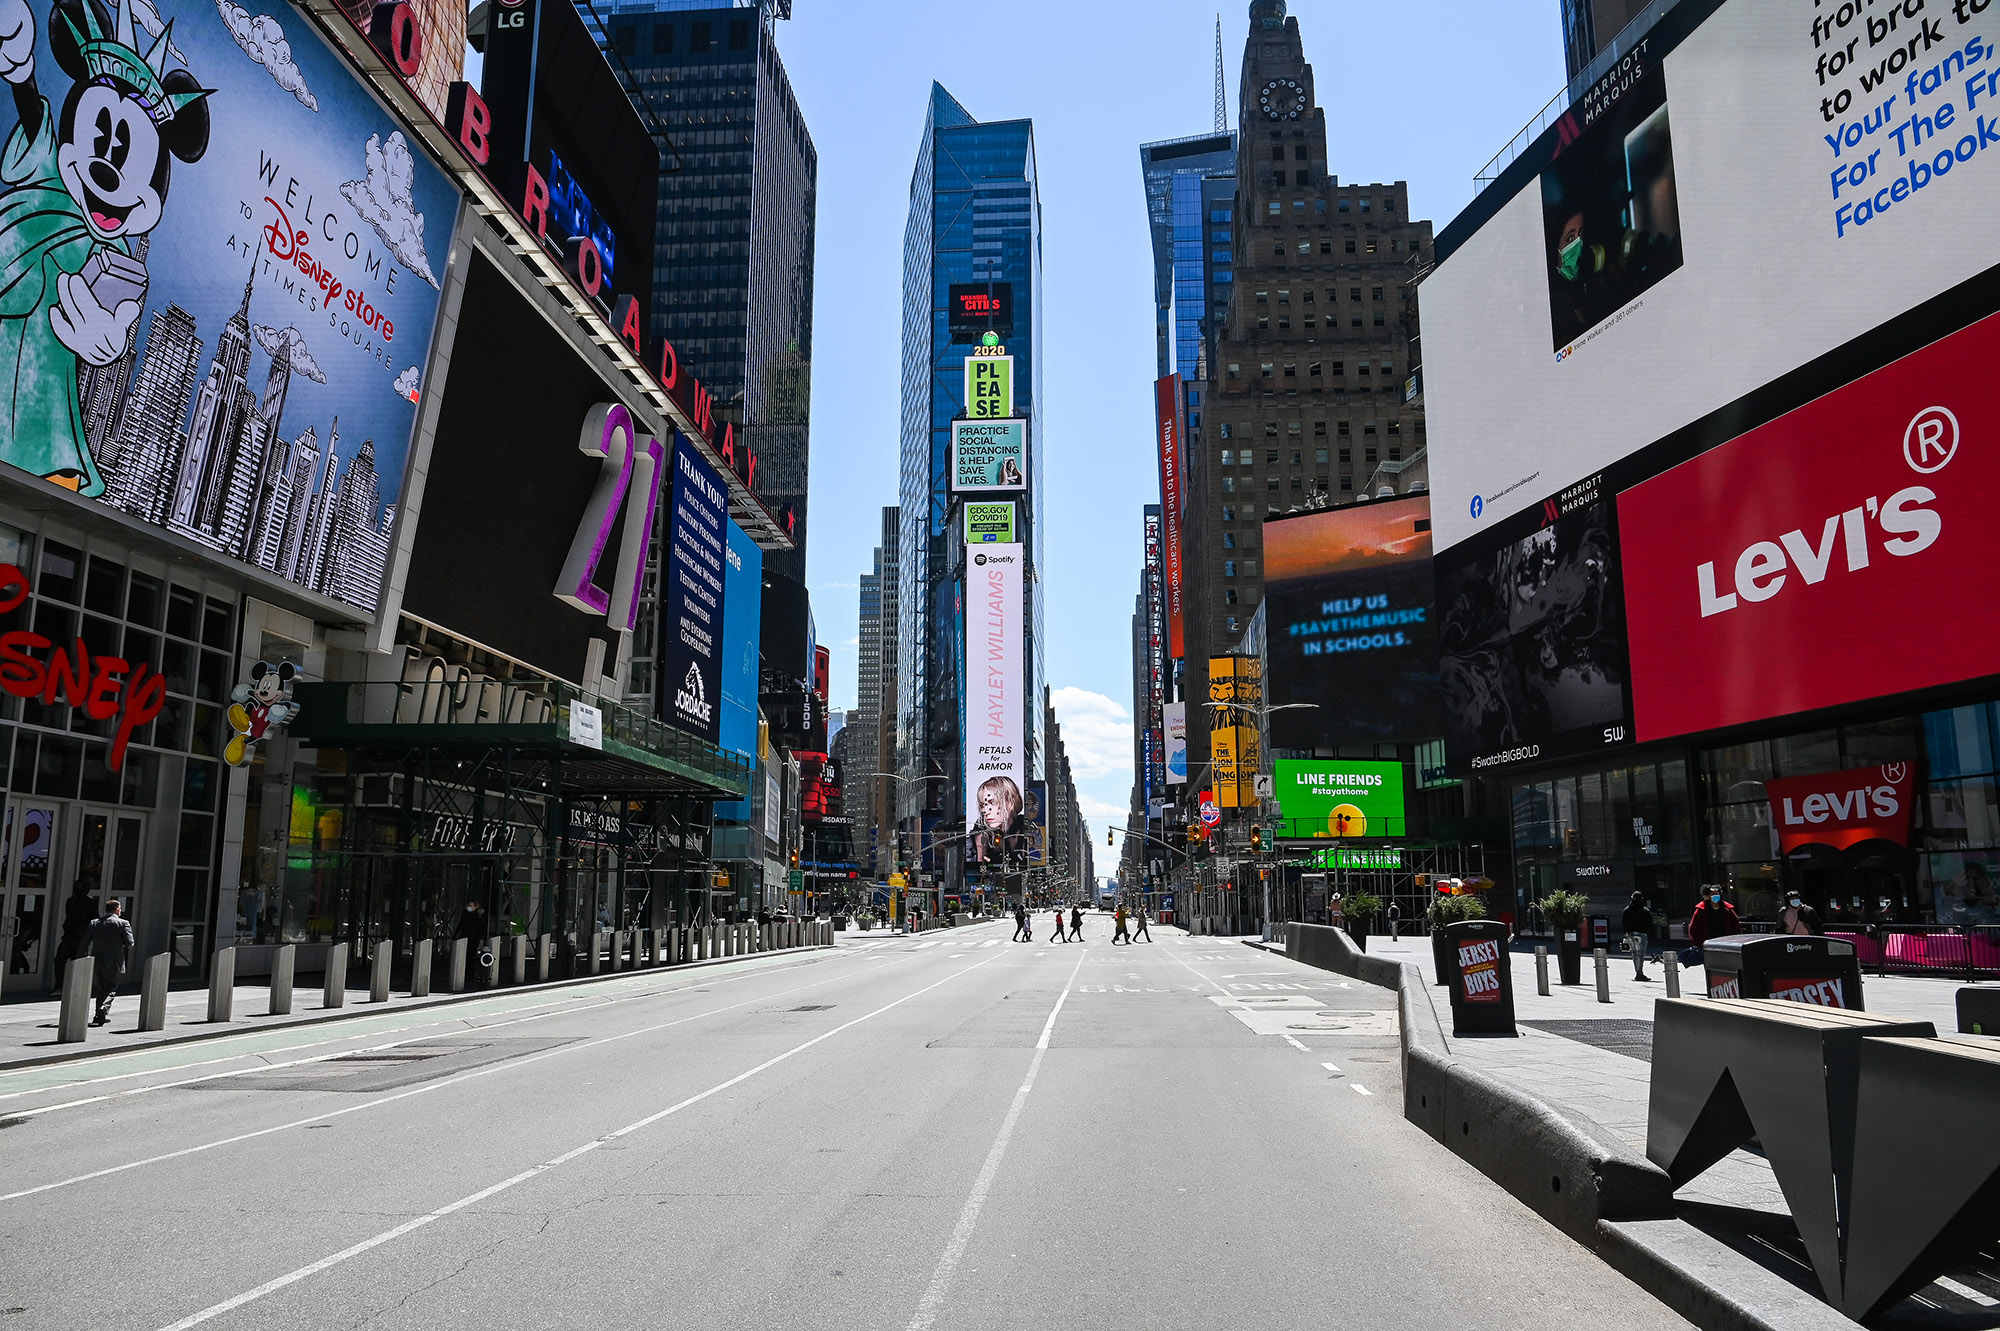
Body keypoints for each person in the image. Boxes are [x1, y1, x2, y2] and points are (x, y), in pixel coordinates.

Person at [85, 900, 133, 1027]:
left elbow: (85, 941)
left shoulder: (95, 923)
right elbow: (129, 942)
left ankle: (98, 1015)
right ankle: (103, 1008)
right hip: (113, 960)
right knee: (111, 987)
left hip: (97, 960)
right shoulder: (123, 923)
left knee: (101, 987)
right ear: (117, 910)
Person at [46, 879, 96, 993]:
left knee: (77, 962)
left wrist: (86, 933)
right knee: (59, 960)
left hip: (80, 938)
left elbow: (93, 918)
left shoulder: (90, 902)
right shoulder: (70, 901)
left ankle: (76, 987)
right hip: (68, 936)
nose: (77, 889)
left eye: (80, 887)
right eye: (76, 886)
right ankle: (60, 985)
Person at [1685, 886, 1741, 967]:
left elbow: (1736, 926)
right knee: (1711, 968)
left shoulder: (1727, 909)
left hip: (1726, 943)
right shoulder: (1701, 910)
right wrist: (1699, 943)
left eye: (1717, 893)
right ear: (1707, 896)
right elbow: (1694, 928)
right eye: (1713, 894)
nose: (1716, 895)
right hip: (1709, 944)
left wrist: (1736, 940)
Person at [454, 900, 488, 987]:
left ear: (475, 907)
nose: (469, 907)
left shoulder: (479, 916)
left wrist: (477, 937)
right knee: (463, 957)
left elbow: (482, 928)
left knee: (471, 958)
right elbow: (461, 924)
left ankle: (470, 976)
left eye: (471, 906)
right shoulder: (465, 914)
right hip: (464, 938)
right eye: (468, 905)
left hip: (473, 939)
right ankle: (463, 975)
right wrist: (456, 935)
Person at [1621, 891, 1653, 981]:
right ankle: (1640, 973)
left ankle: (1637, 972)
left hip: (1630, 934)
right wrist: (1647, 932)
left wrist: (1626, 933)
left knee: (1634, 954)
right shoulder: (1645, 910)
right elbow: (1649, 922)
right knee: (1640, 954)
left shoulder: (1626, 910)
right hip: (1641, 934)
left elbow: (1624, 922)